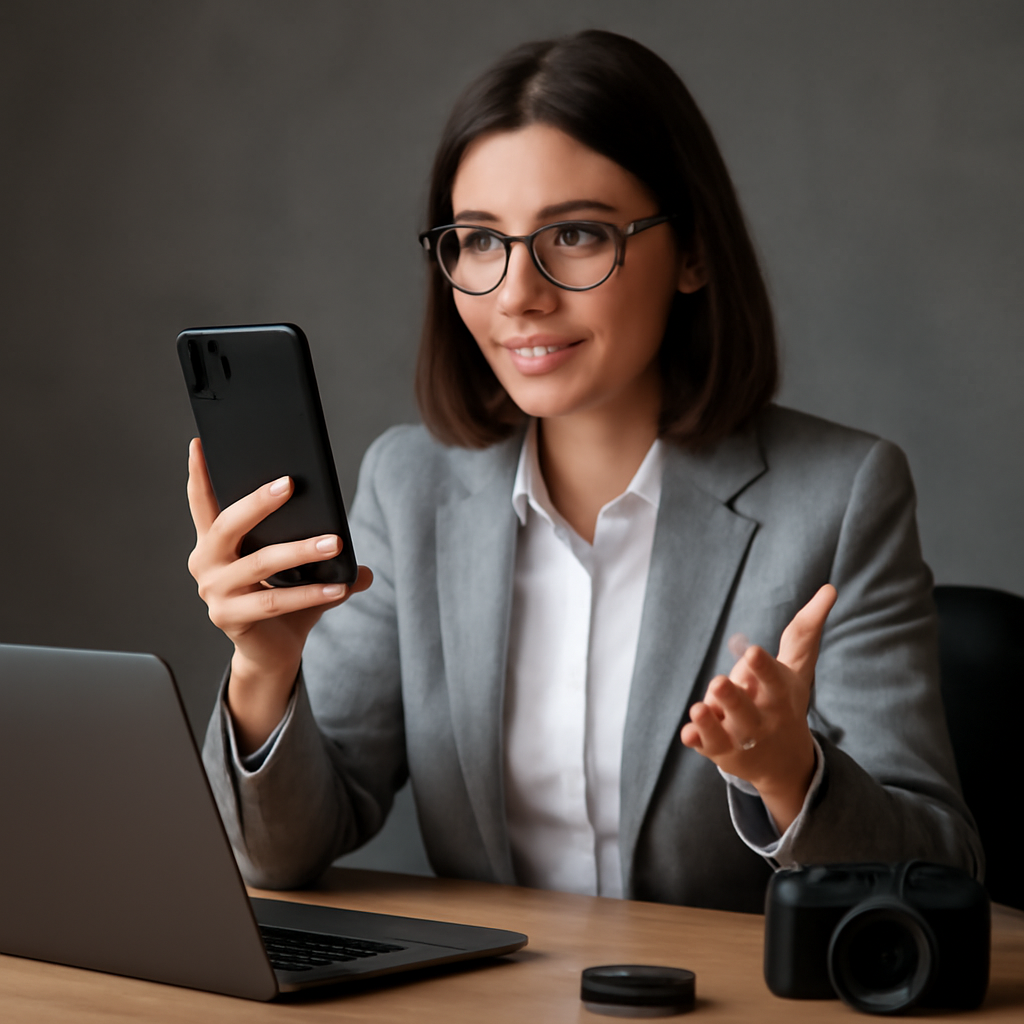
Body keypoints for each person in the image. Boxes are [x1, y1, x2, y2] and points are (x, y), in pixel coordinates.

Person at [190, 30, 981, 913]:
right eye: (480, 242)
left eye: (573, 234)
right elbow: (281, 857)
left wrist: (794, 777)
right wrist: (262, 668)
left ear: (692, 253)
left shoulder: (840, 495)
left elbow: (941, 872)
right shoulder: (409, 484)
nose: (519, 293)